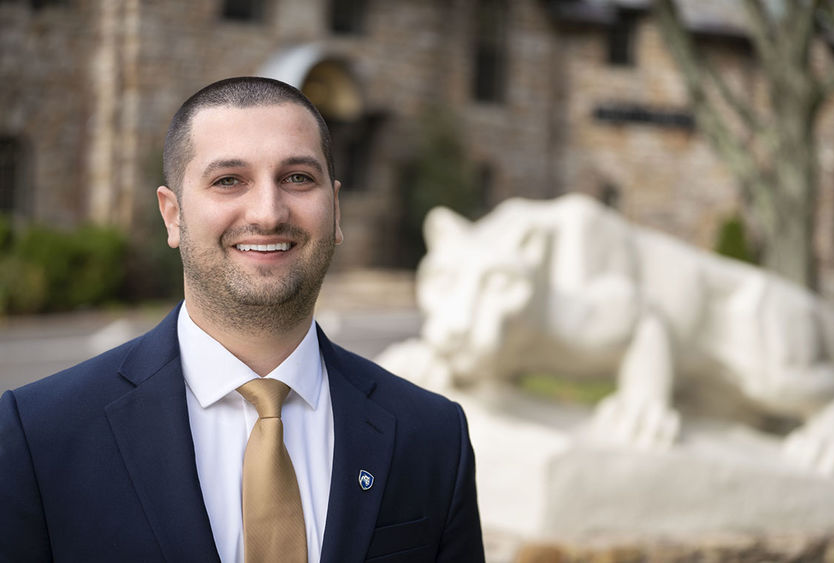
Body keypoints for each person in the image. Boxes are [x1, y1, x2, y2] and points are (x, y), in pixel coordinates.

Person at [0, 77, 485, 563]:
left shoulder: (433, 435)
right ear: (172, 215)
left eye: (297, 177)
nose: (269, 213)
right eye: (228, 180)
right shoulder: (38, 435)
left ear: (334, 208)